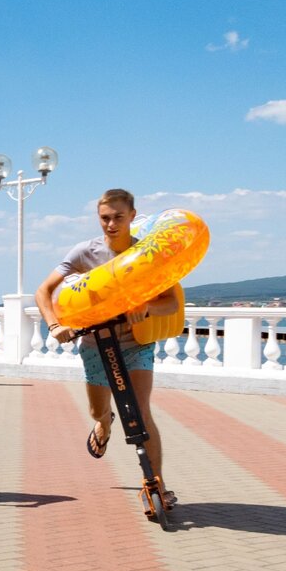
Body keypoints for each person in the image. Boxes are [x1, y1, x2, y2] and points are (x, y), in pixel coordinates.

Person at [34, 188, 179, 497]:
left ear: (132, 216)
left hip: (136, 342)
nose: (111, 225)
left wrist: (148, 307)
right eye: (105, 218)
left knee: (141, 411)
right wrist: (54, 324)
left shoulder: (147, 254)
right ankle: (105, 424)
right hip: (94, 343)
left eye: (118, 218)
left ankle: (156, 483)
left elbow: (172, 303)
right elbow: (44, 291)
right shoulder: (84, 252)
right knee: (97, 410)